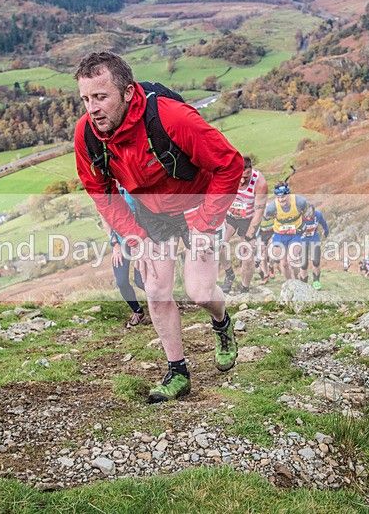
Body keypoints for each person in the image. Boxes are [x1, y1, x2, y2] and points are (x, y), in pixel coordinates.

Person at [74, 52, 243, 403]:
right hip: (151, 215)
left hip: (198, 204)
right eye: (86, 99)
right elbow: (99, 190)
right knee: (156, 289)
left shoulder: (172, 118)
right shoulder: (87, 135)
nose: (92, 108)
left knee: (199, 292)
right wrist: (133, 236)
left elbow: (230, 164)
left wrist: (206, 221)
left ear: (128, 93)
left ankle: (222, 323)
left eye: (101, 97)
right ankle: (177, 371)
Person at [219, 155, 268, 294]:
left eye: (246, 177)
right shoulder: (228, 174)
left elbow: (259, 212)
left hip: (249, 219)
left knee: (247, 255)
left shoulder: (260, 183)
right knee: (219, 245)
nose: (241, 180)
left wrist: (249, 235)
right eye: (240, 176)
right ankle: (229, 274)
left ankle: (245, 288)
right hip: (230, 215)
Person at [100, 187, 148, 328]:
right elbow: (105, 217)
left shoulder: (133, 186)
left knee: (141, 281)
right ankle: (138, 312)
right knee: (121, 281)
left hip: (142, 237)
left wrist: (138, 244)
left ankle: (162, 302)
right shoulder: (107, 188)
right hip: (121, 242)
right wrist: (114, 243)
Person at [264, 181, 307, 281]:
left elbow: (309, 212)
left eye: (283, 197)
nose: (280, 199)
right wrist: (269, 218)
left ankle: (296, 278)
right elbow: (265, 216)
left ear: (288, 194)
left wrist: (303, 226)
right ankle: (289, 283)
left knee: (292, 259)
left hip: (295, 233)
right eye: (278, 197)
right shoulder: (273, 206)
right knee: (283, 263)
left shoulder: (299, 201)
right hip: (280, 235)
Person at [297, 202, 329, 290]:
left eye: (310, 216)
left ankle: (316, 281)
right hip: (302, 241)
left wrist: (326, 231)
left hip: (314, 239)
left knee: (316, 261)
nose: (308, 218)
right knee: (303, 264)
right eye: (306, 216)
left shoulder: (318, 215)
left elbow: (324, 223)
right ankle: (304, 284)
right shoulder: (298, 217)